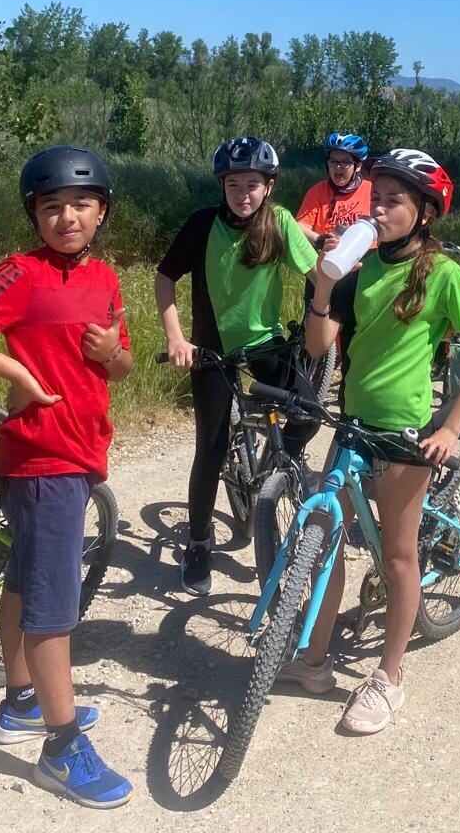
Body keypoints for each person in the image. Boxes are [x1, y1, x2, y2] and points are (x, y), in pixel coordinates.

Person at [0, 146, 131, 807]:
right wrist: (16, 374)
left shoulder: (105, 278)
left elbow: (119, 366)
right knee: (51, 605)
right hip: (43, 457)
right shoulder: (19, 273)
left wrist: (111, 355)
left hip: (82, 450)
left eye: (80, 204)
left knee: (24, 581)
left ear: (101, 212)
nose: (66, 216)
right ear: (35, 215)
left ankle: (21, 703)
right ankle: (63, 751)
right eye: (51, 207)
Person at [284, 149, 460, 734]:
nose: (378, 208)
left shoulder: (444, 273)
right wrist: (323, 288)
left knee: (399, 557)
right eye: (376, 198)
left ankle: (389, 677)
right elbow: (321, 346)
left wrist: (450, 428)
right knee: (322, 544)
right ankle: (315, 661)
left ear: (425, 211)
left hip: (402, 433)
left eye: (393, 201)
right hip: (351, 424)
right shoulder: (363, 265)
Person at [155, 136, 318, 595]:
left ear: (269, 186)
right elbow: (165, 277)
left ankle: (275, 462)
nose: (242, 194)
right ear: (221, 185)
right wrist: (176, 337)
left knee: (308, 412)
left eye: (252, 184)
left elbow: (318, 275)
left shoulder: (279, 222)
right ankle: (199, 543)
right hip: (211, 351)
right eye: (233, 184)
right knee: (209, 449)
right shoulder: (203, 224)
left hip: (266, 344)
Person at [295, 132, 373, 252]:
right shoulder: (317, 191)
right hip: (328, 257)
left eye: (345, 162)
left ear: (358, 166)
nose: (338, 166)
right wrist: (321, 240)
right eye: (333, 161)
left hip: (365, 258)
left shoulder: (371, 191)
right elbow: (301, 226)